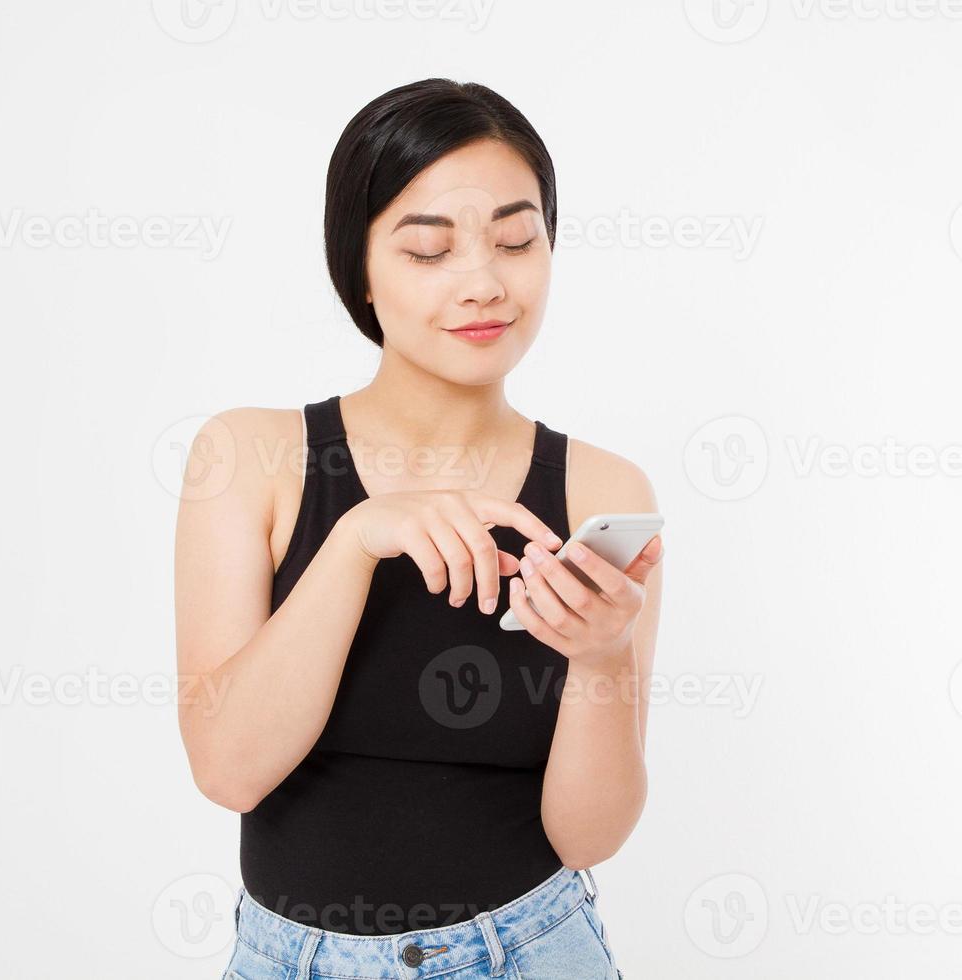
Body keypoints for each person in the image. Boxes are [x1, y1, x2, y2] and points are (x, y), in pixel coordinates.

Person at [173, 78, 663, 979]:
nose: (484, 282)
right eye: (429, 252)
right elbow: (228, 769)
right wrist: (358, 537)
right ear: (358, 268)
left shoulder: (600, 488)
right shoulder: (250, 455)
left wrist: (601, 659)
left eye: (516, 239)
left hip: (532, 949)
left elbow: (589, 836)